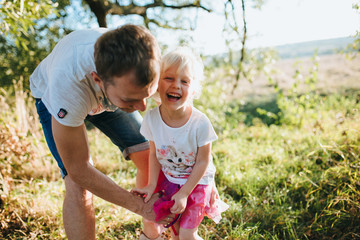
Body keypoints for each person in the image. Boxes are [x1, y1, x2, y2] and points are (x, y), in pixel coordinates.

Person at [29, 24, 175, 240]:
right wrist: (139, 206)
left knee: (150, 157)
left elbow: (186, 121)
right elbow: (78, 168)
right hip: (59, 95)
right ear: (98, 79)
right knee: (78, 184)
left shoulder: (147, 61)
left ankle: (151, 235)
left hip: (112, 95)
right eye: (132, 100)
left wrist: (204, 177)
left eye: (148, 95)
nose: (143, 107)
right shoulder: (68, 86)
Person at [132, 47, 229, 240]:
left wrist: (185, 193)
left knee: (187, 235)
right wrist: (151, 185)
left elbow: (203, 162)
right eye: (169, 78)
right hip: (170, 181)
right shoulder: (151, 118)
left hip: (196, 184)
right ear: (156, 83)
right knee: (175, 232)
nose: (176, 85)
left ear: (193, 89)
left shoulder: (200, 123)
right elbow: (154, 154)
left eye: (184, 81)